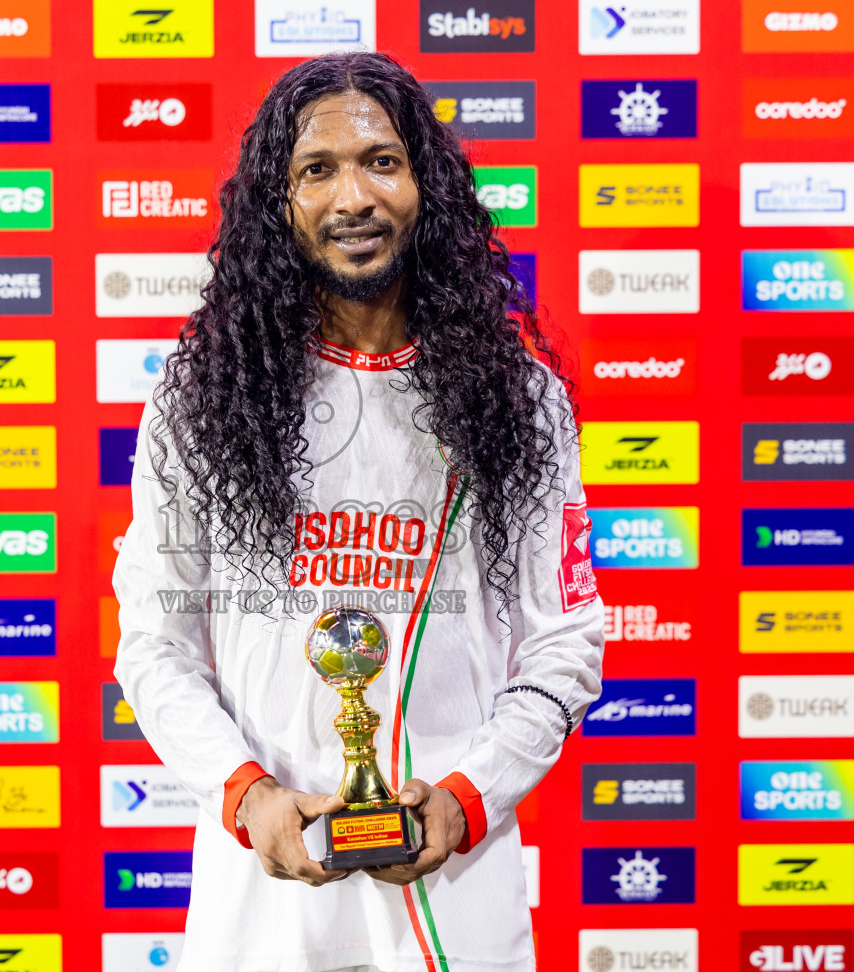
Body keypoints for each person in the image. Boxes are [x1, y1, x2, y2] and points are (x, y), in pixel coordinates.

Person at [113, 51, 605, 972]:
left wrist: (465, 797)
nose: (353, 197)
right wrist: (251, 796)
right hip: (262, 898)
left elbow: (564, 641)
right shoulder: (201, 404)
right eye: (317, 169)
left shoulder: (519, 401)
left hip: (453, 893)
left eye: (381, 161)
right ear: (279, 205)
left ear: (428, 183)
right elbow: (155, 644)